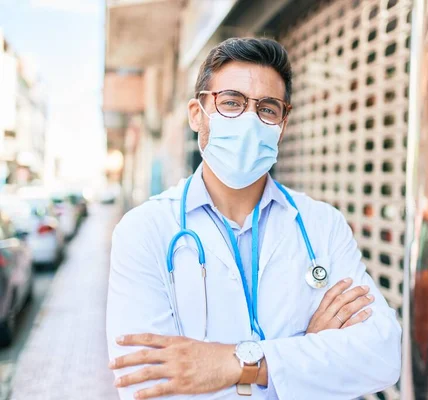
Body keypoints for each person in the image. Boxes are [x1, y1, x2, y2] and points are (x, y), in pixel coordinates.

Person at [106, 37, 402, 400]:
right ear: (197, 114)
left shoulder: (322, 225)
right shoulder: (144, 231)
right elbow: (148, 385)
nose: (250, 119)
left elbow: (382, 354)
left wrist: (234, 364)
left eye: (267, 108)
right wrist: (304, 355)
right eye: (231, 102)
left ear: (283, 122)